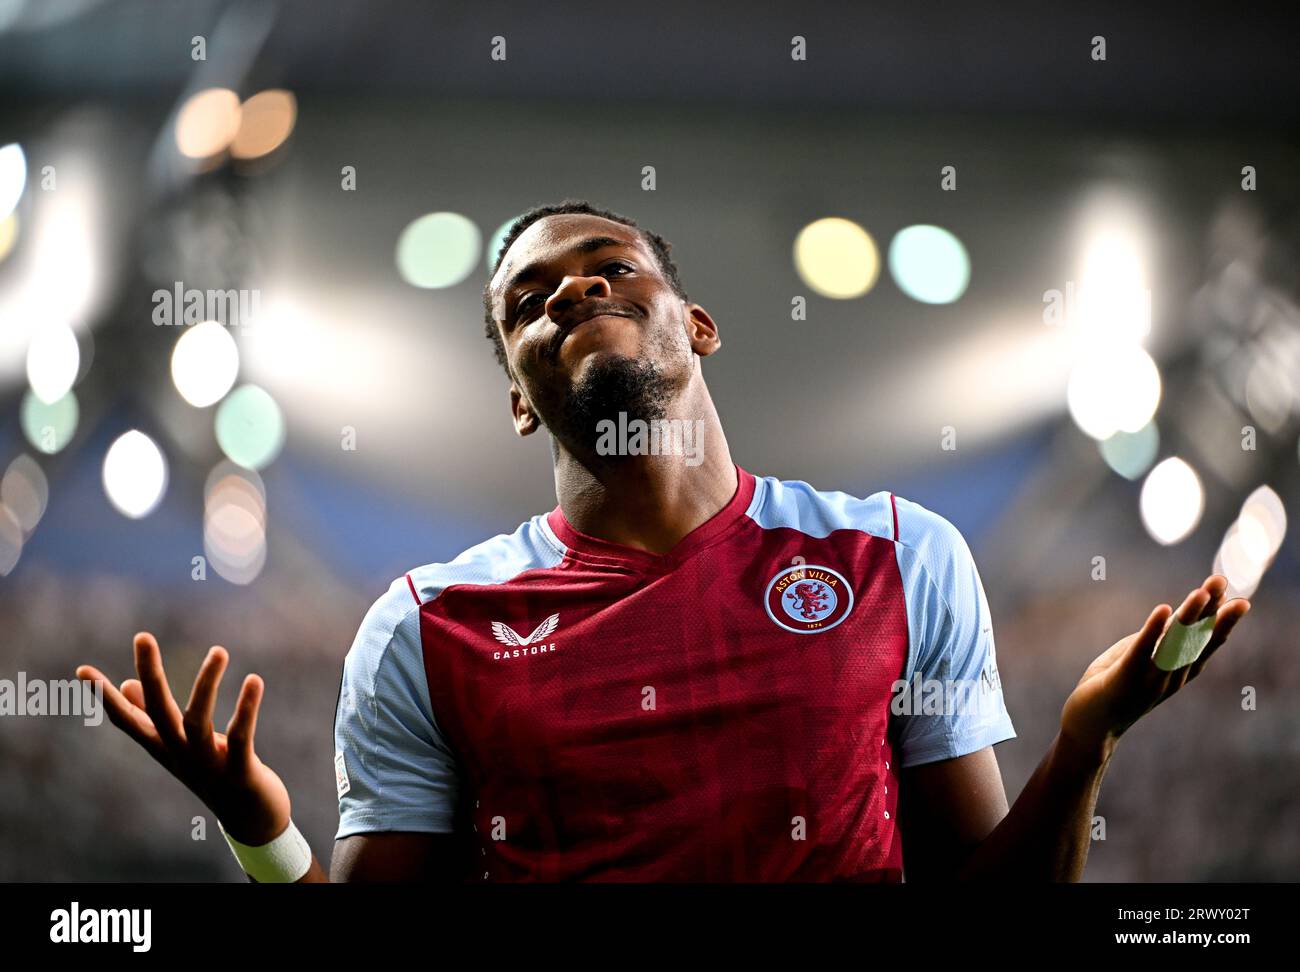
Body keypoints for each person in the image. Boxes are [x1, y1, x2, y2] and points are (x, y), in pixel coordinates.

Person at [76, 199, 1251, 882]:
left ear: (694, 325)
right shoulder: (427, 626)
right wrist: (262, 833)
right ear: (522, 398)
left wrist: (1086, 740)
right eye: (528, 303)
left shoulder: (899, 557)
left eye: (608, 271)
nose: (572, 295)